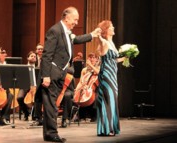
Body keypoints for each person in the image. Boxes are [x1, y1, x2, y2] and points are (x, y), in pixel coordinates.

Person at [40, 6, 101, 143]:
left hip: (60, 74)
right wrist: (46, 76)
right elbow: (46, 55)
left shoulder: (66, 32)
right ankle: (52, 133)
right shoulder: (55, 30)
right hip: (52, 73)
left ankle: (49, 133)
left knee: (53, 104)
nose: (76, 22)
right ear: (67, 18)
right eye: (75, 19)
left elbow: (76, 39)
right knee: (51, 105)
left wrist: (92, 35)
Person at [96, 20, 126, 136]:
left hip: (113, 75)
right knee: (108, 99)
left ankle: (111, 127)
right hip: (106, 75)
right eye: (111, 26)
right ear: (106, 30)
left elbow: (113, 60)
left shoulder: (112, 43)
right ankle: (106, 128)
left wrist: (126, 57)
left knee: (112, 99)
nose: (113, 28)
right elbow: (100, 40)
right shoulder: (104, 42)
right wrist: (98, 35)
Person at [74, 52, 100, 122]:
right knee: (80, 96)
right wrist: (79, 88)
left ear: (97, 59)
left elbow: (98, 73)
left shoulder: (99, 67)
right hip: (86, 87)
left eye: (93, 57)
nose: (91, 59)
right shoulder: (84, 70)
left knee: (96, 97)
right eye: (90, 57)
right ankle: (81, 115)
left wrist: (91, 65)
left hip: (97, 88)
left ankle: (94, 116)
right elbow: (81, 80)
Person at [17, 51, 37, 121]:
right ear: (27, 58)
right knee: (19, 97)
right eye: (32, 56)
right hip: (25, 86)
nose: (33, 57)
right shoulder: (23, 68)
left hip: (35, 86)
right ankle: (26, 113)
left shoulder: (38, 68)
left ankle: (35, 115)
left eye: (35, 56)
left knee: (38, 98)